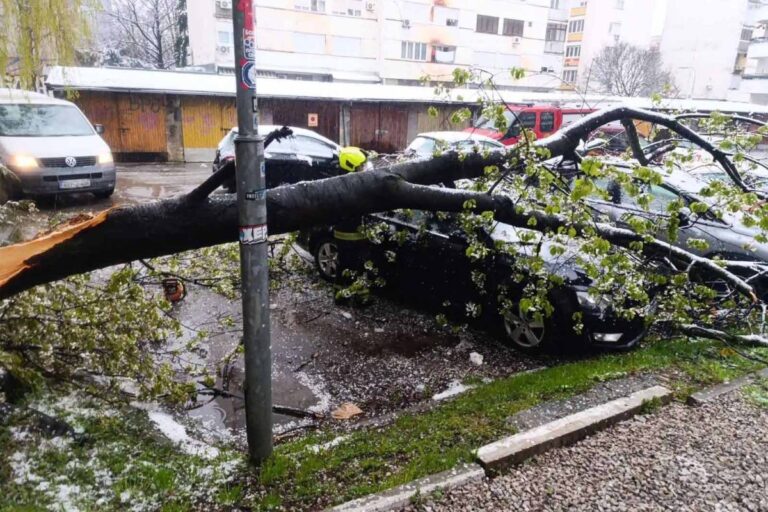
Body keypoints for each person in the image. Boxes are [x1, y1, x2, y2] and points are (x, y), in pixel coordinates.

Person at [334, 147, 371, 305]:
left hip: (342, 232)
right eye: (361, 166)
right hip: (352, 233)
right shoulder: (353, 186)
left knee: (344, 265)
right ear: (351, 166)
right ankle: (361, 298)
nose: (364, 168)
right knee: (359, 265)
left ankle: (341, 295)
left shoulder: (338, 182)